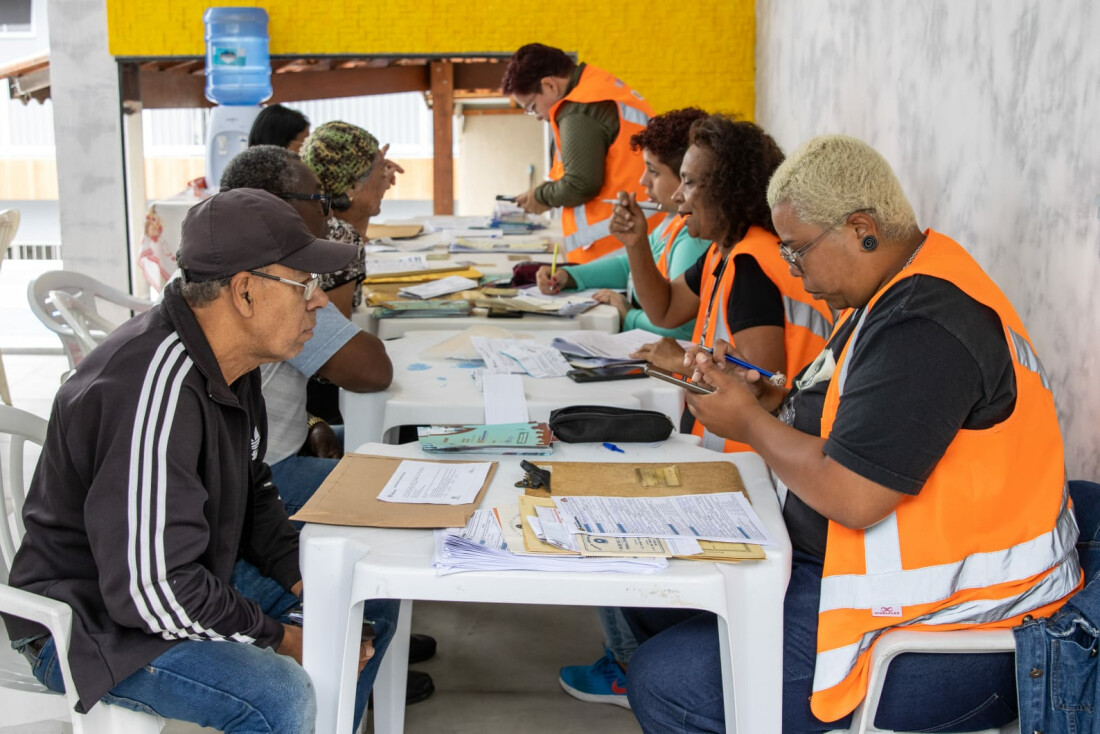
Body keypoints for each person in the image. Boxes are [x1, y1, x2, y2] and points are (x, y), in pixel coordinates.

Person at [624, 134, 1082, 733]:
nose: (795, 272)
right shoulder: (888, 290)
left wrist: (749, 424)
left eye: (797, 251)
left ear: (862, 229)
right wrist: (770, 399)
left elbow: (855, 494)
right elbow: (856, 416)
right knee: (651, 594)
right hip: (861, 577)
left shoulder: (926, 323)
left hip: (946, 628)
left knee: (664, 682)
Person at [3, 188, 390, 732]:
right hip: (92, 620)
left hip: (185, 573)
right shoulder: (150, 391)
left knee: (366, 600)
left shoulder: (232, 360)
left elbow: (254, 490)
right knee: (278, 693)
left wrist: (306, 579)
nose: (320, 301)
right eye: (304, 284)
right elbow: (151, 593)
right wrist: (282, 638)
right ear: (245, 292)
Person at [219, 147, 438, 705]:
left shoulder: (228, 270)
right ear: (279, 207)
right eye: (318, 199)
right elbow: (371, 370)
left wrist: (316, 420)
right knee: (387, 520)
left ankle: (372, 647)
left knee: (389, 476)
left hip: (256, 471)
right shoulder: (273, 287)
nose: (330, 208)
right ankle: (355, 675)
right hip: (253, 484)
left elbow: (294, 390)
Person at [615, 114, 834, 453]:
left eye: (689, 182)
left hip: (757, 461)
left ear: (726, 191)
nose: (677, 195)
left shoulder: (751, 268)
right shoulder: (725, 251)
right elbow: (666, 310)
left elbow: (759, 389)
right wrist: (636, 243)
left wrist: (682, 361)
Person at [534, 107, 712, 340]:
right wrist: (571, 276)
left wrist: (627, 315)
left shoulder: (693, 239)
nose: (643, 181)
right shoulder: (673, 221)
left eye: (653, 172)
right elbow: (631, 267)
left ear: (686, 178)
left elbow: (681, 329)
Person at [502, 43, 663, 264]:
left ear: (549, 85)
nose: (537, 115)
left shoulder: (579, 110)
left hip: (616, 247)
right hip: (648, 233)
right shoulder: (599, 86)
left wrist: (540, 196)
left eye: (532, 106)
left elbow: (580, 183)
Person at [300, 120, 402, 424]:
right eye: (380, 169)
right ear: (351, 186)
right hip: (320, 400)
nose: (387, 178)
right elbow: (337, 353)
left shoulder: (324, 224)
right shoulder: (340, 237)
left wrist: (368, 198)